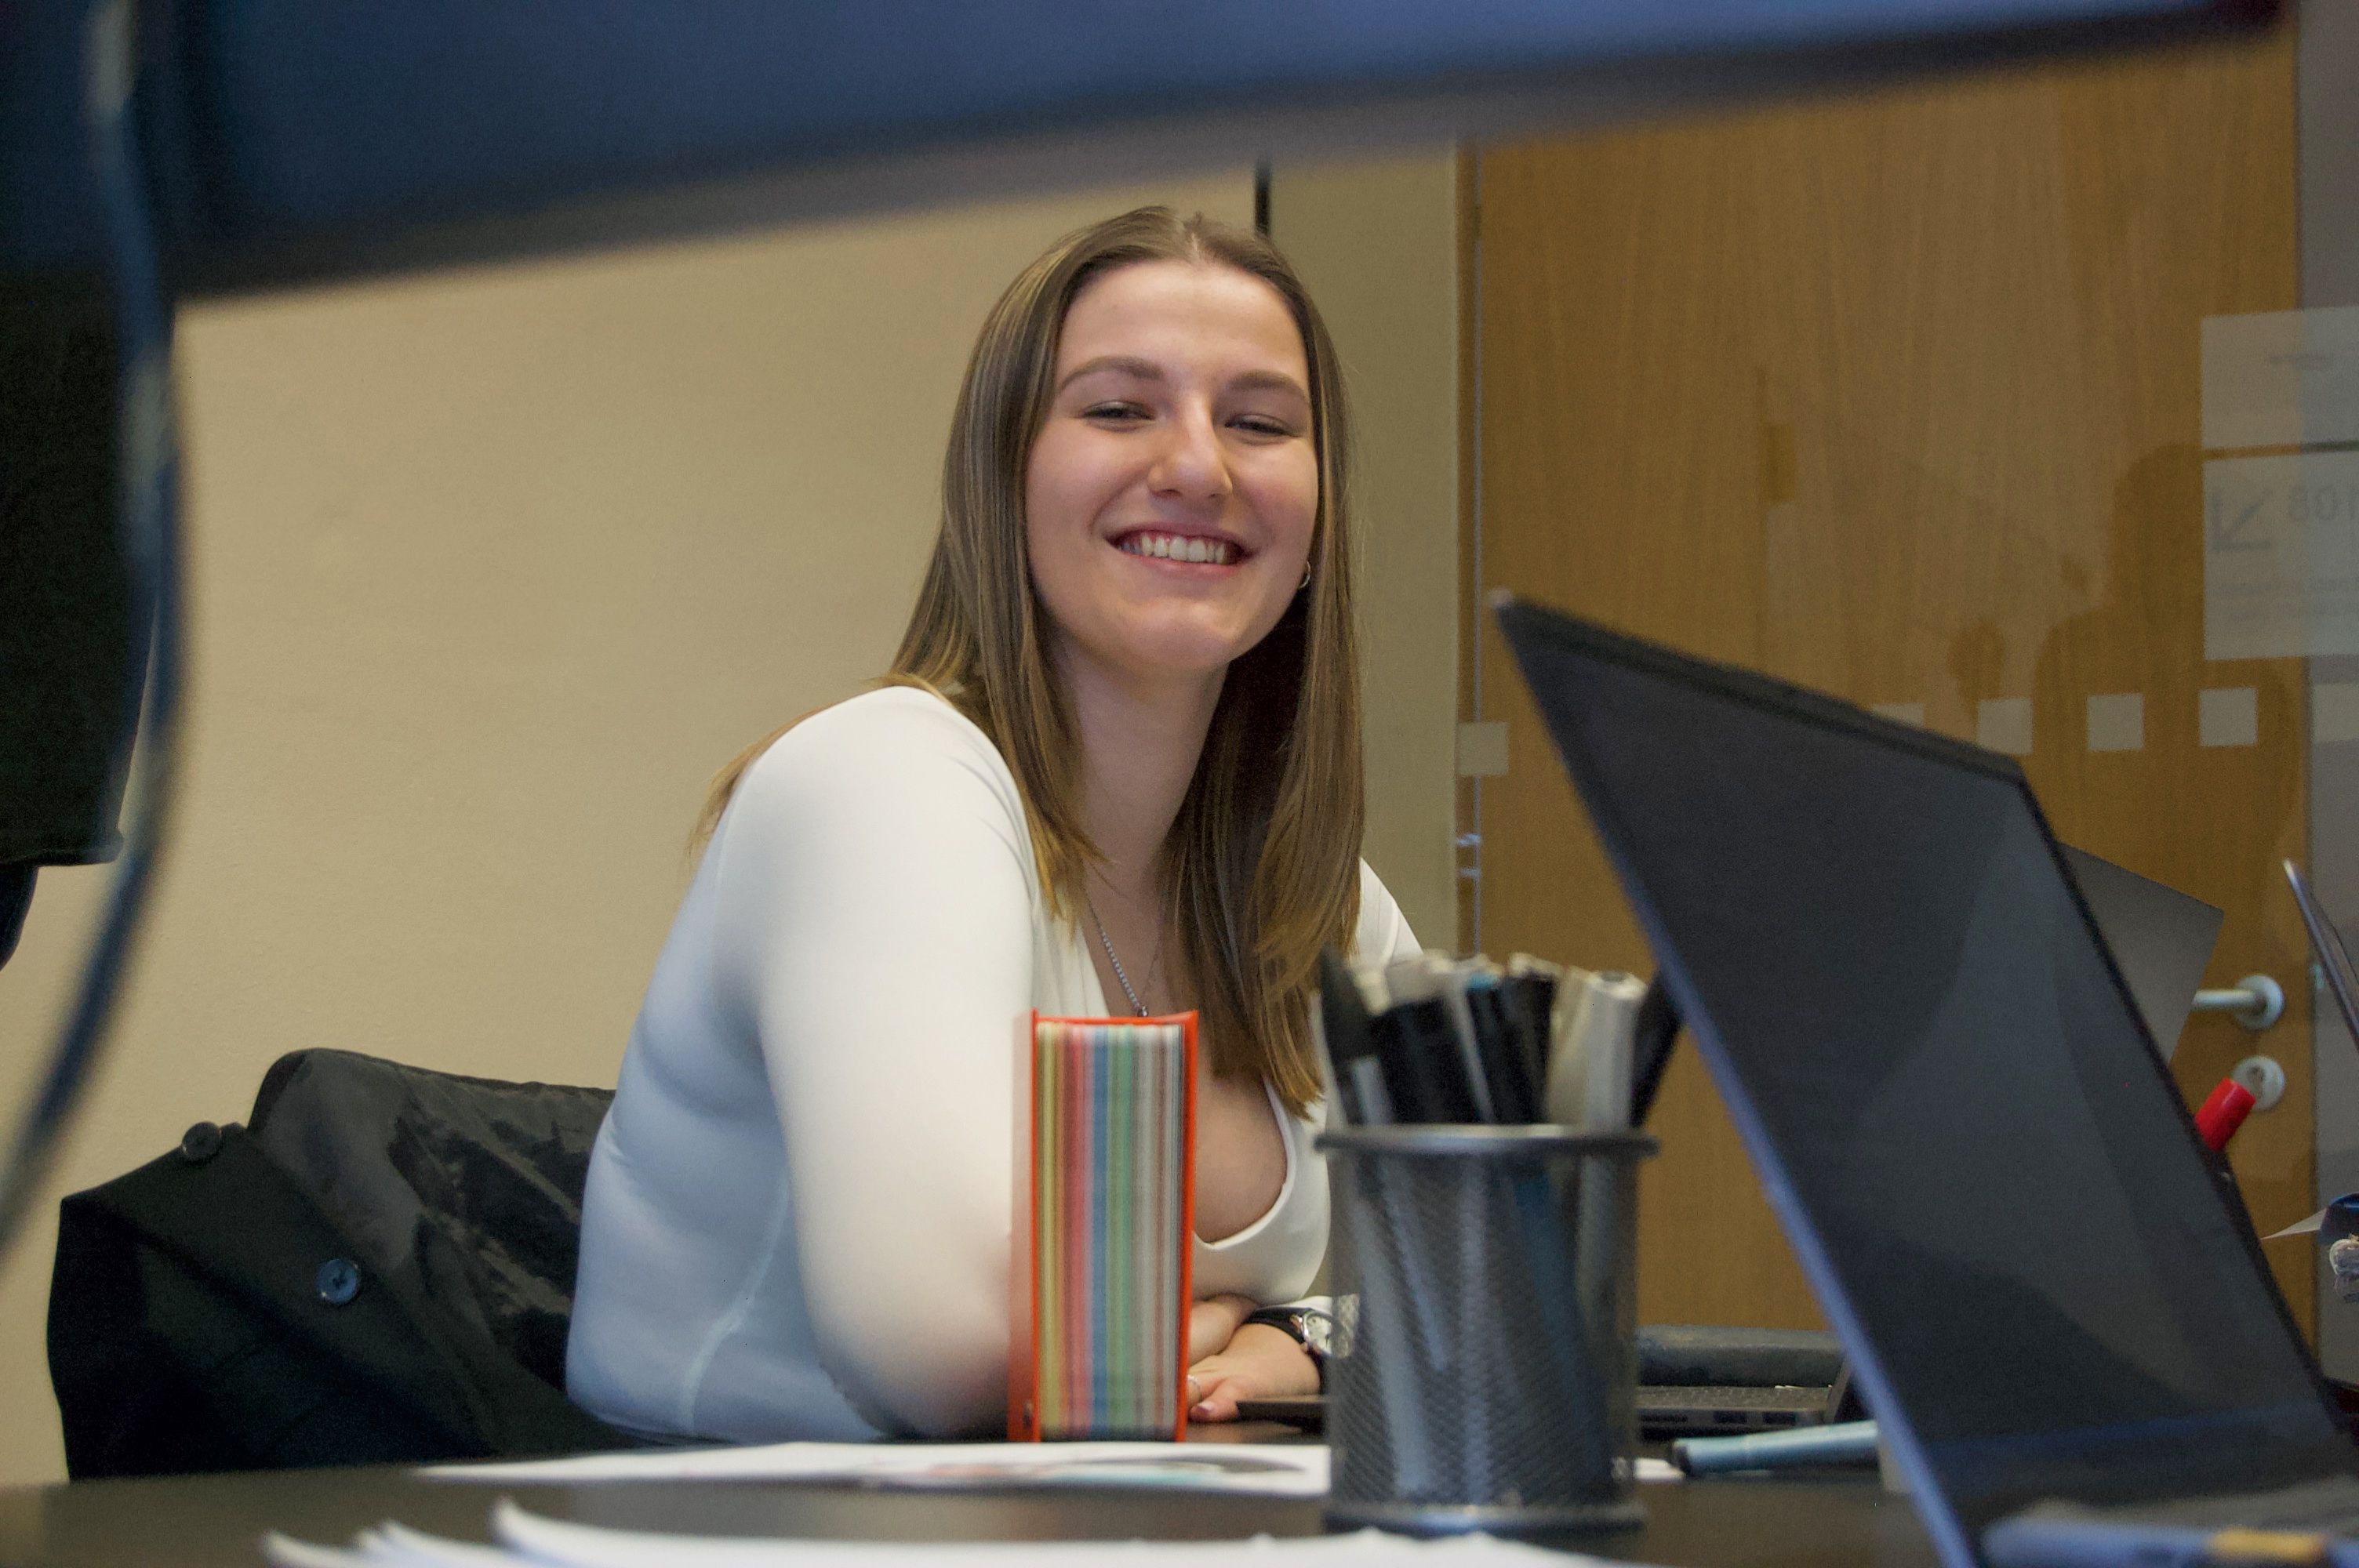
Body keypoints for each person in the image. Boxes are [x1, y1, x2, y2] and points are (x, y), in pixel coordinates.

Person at [566, 206, 1420, 1444]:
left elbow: (1490, 1302)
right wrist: (1237, 1322)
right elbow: (963, 1355)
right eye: (1120, 410)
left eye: (1260, 422)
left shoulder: (1317, 896)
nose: (1200, 466)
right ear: (1001, 476)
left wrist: (1289, 1342)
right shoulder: (883, 783)